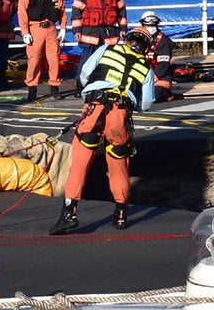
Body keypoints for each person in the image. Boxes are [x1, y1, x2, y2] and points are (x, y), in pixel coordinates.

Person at [49, 26, 156, 235]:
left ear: (128, 39)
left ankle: (69, 214)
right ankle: (121, 214)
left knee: (80, 163)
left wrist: (91, 91)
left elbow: (85, 73)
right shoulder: (146, 69)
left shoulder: (107, 50)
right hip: (120, 117)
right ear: (146, 48)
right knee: (119, 165)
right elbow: (148, 103)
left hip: (94, 110)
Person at [18, 0, 68, 102]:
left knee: (54, 59)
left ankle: (54, 87)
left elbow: (62, 11)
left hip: (51, 29)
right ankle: (32, 89)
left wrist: (63, 28)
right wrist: (25, 33)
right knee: (34, 61)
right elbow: (22, 13)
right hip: (35, 29)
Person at [71, 0, 128, 69]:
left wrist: (123, 28)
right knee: (86, 64)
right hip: (90, 33)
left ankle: (105, 85)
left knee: (108, 63)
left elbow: (121, 10)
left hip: (109, 33)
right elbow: (76, 11)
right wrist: (76, 31)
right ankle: (81, 85)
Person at [137, 11, 176, 102]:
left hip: (160, 77)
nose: (150, 28)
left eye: (153, 25)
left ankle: (165, 93)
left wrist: (152, 78)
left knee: (151, 97)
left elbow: (163, 64)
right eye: (147, 26)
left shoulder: (163, 41)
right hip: (141, 75)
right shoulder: (138, 40)